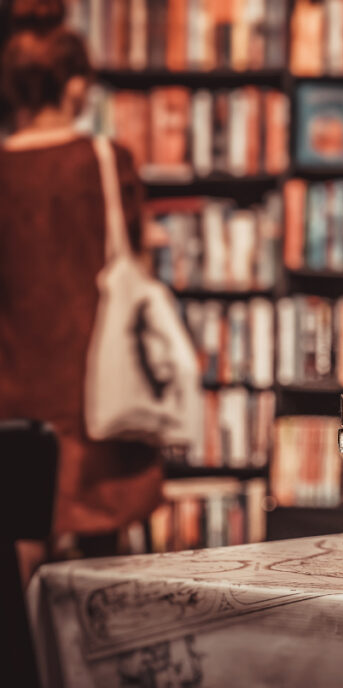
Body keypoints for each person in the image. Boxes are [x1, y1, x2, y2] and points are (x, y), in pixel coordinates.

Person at [0, 0, 162, 566]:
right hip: (98, 388)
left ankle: (24, 658)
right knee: (102, 552)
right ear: (73, 88)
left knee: (19, 539)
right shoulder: (104, 160)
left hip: (14, 388)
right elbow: (138, 261)